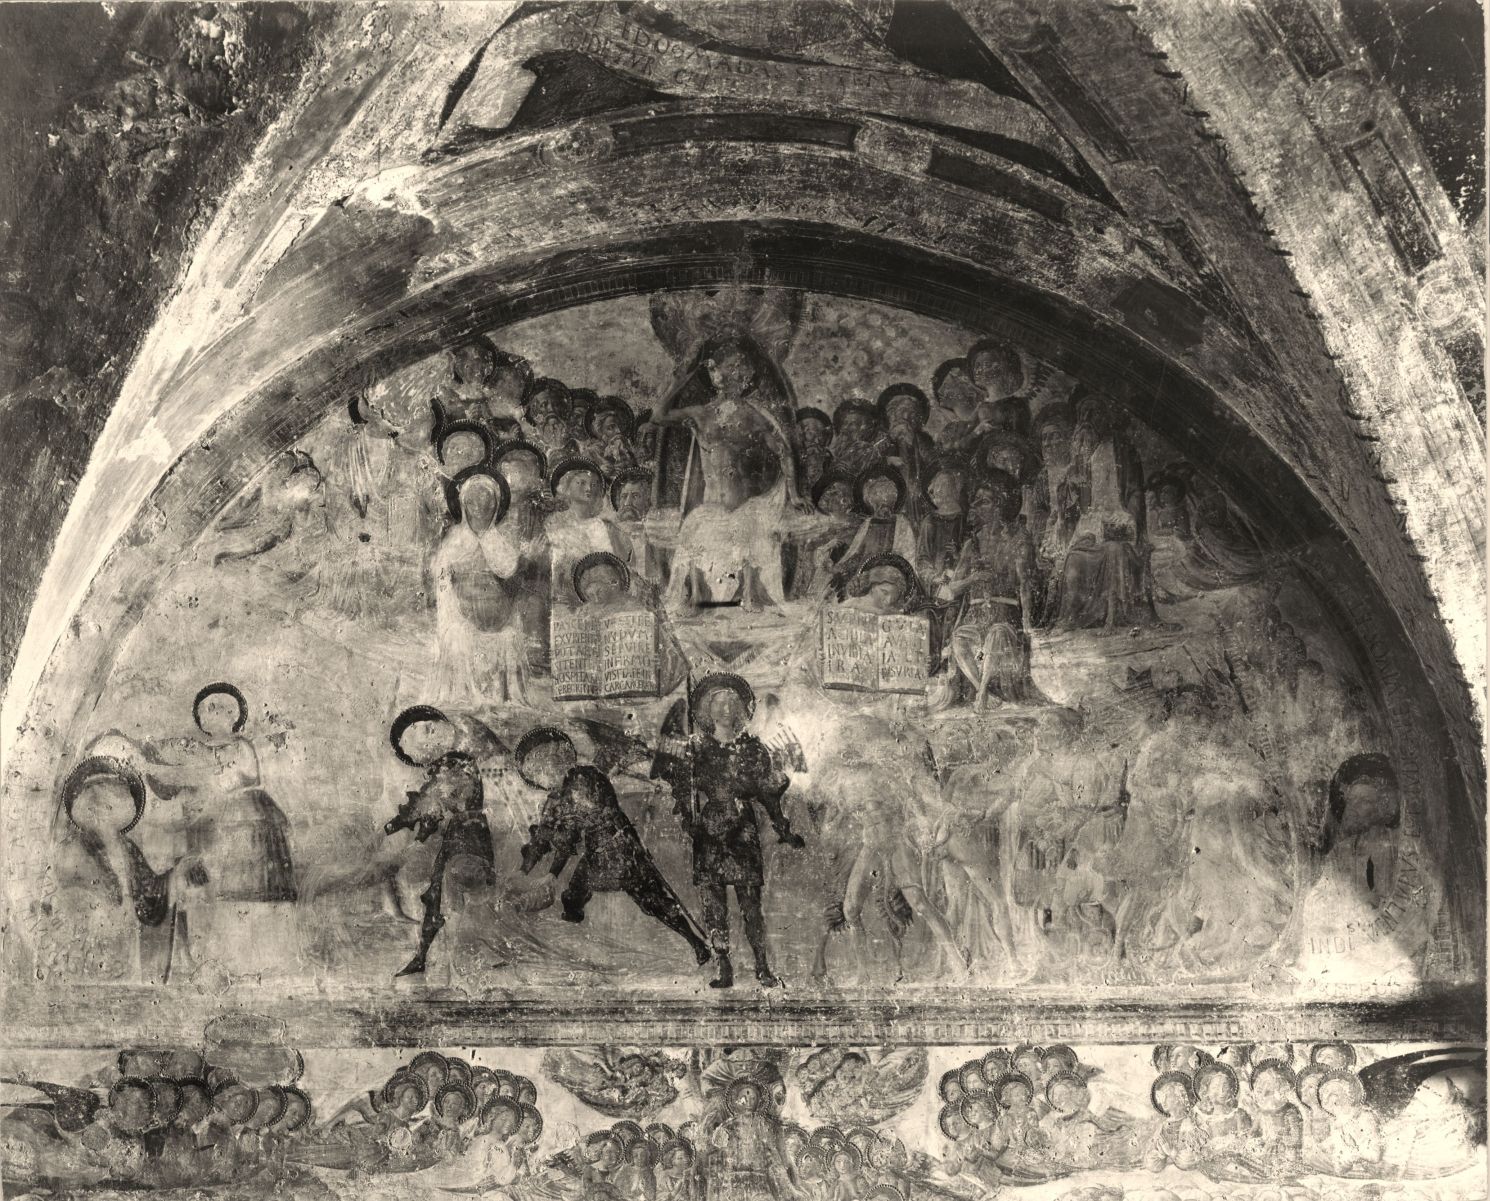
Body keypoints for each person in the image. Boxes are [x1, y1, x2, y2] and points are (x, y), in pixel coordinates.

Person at [139, 682, 299, 980]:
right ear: (200, 717)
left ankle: (256, 963)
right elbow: (182, 786)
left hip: (243, 824)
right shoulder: (196, 751)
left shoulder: (240, 748)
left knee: (247, 890)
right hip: (206, 829)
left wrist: (200, 781)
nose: (217, 712)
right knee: (204, 890)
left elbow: (232, 779)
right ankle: (210, 959)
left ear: (235, 716)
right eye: (210, 708)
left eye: (225, 708)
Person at [655, 675, 805, 988]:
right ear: (707, 709)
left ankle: (762, 966)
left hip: (742, 832)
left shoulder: (752, 749)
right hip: (708, 831)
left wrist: (783, 828)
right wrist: (689, 816)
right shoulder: (695, 748)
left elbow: (767, 794)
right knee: (713, 906)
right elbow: (682, 789)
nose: (725, 708)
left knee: (751, 905)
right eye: (718, 703)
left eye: (731, 702)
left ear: (740, 709)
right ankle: (723, 966)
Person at [516, 728, 712, 967]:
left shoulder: (583, 779)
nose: (542, 777)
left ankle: (696, 944)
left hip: (619, 849)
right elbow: (543, 837)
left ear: (560, 759)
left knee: (650, 899)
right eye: (535, 773)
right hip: (601, 852)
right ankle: (582, 940)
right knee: (577, 896)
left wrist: (551, 873)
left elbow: (571, 830)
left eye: (544, 768)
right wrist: (522, 871)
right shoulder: (556, 800)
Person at [651, 335, 809, 609]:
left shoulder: (755, 415)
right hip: (712, 504)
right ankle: (697, 596)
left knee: (752, 527)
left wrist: (794, 495)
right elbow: (658, 416)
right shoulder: (701, 413)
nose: (730, 374)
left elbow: (783, 452)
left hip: (744, 505)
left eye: (738, 368)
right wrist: (681, 379)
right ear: (713, 375)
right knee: (694, 528)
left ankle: (750, 593)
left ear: (746, 377)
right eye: (723, 368)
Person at [386, 751, 496, 978]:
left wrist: (435, 800)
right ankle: (421, 958)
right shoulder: (458, 781)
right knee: (434, 896)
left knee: (457, 898)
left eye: (443, 769)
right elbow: (430, 812)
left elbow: (444, 806)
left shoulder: (466, 781)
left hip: (468, 842)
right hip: (458, 842)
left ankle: (478, 955)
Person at [431, 468, 527, 705]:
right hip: (460, 617)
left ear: (495, 504)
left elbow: (509, 575)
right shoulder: (454, 540)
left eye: (487, 499)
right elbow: (442, 584)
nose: (480, 505)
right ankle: (463, 697)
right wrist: (457, 614)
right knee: (458, 636)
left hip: (497, 620)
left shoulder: (501, 541)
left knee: (510, 637)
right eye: (473, 499)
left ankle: (503, 699)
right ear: (464, 503)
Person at [942, 478, 1039, 710]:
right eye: (975, 502)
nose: (977, 507)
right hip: (976, 617)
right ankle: (981, 690)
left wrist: (1026, 622)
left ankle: (983, 692)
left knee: (996, 634)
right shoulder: (972, 544)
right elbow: (952, 589)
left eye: (983, 502)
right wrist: (973, 579)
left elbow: (1025, 583)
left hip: (1005, 613)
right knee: (960, 640)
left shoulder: (1018, 539)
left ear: (999, 505)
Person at [546, 459, 632, 608]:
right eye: (581, 483)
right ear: (566, 487)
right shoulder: (554, 522)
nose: (588, 488)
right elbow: (554, 564)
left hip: (602, 597)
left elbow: (620, 561)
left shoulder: (604, 526)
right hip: (564, 596)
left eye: (593, 484)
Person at [877, 384, 936, 522]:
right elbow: (871, 465)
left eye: (914, 413)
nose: (908, 417)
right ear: (891, 414)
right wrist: (887, 460)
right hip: (891, 497)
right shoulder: (882, 442)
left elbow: (934, 463)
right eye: (903, 410)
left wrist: (914, 441)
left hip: (919, 495)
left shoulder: (924, 440)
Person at [584, 395, 641, 478]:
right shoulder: (591, 452)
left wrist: (627, 466)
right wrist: (599, 470)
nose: (618, 431)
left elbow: (637, 473)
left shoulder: (627, 449)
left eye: (619, 426)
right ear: (600, 431)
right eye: (610, 428)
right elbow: (586, 477)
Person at [525, 378, 580, 461]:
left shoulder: (575, 442)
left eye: (556, 404)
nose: (551, 409)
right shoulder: (529, 445)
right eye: (543, 405)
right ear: (533, 412)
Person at [831, 398, 885, 478]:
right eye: (845, 423)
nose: (845, 427)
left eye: (853, 423)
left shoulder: (868, 452)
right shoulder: (834, 453)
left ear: (866, 428)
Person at [797, 406, 835, 489]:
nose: (817, 441)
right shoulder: (791, 457)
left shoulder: (828, 460)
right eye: (811, 434)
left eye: (821, 436)